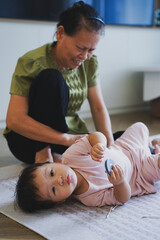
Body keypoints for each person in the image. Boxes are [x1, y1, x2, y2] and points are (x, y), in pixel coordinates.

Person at [3, 1, 120, 165]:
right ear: (60, 33)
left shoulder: (90, 63)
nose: (85, 56)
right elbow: (14, 120)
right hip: (29, 141)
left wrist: (110, 146)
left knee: (123, 140)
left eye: (91, 50)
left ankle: (60, 154)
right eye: (80, 48)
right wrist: (67, 139)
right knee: (52, 78)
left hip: (67, 139)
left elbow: (98, 107)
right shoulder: (32, 62)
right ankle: (44, 152)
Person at [15, 122, 160, 213]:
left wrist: (98, 144)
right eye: (53, 190)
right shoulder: (90, 197)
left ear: (54, 163)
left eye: (52, 173)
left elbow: (94, 136)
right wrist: (120, 183)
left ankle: (151, 149)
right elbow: (122, 198)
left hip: (123, 148)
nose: (58, 180)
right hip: (139, 173)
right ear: (59, 202)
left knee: (140, 126)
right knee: (156, 164)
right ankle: (153, 151)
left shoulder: (70, 157)